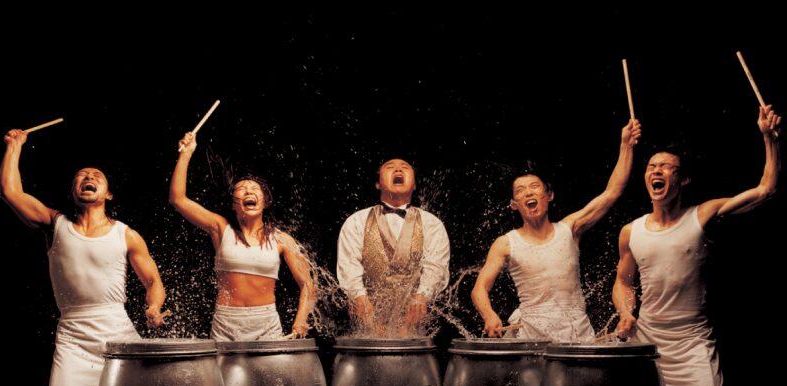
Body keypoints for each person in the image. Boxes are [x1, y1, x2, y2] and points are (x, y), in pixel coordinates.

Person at [612, 105, 781, 386]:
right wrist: (626, 312)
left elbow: (765, 189)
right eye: (651, 166)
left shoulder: (701, 216)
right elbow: (623, 282)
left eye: (665, 167)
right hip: (646, 343)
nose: (656, 171)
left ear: (682, 179)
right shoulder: (631, 232)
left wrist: (768, 138)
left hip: (691, 344)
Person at [0, 128, 167, 386]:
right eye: (81, 175)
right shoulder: (55, 224)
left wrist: (154, 307)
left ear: (108, 194)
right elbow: (10, 191)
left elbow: (153, 282)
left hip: (117, 332)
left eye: (96, 175)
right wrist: (15, 146)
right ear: (74, 191)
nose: (88, 176)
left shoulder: (126, 234)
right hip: (73, 337)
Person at [472, 119, 641, 341]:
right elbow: (479, 289)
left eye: (534, 187)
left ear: (549, 195)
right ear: (514, 204)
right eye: (521, 191)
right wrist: (489, 315)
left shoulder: (570, 229)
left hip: (577, 333)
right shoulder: (505, 243)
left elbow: (612, 192)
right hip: (531, 337)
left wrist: (625, 145)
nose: (528, 193)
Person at [170, 131, 314, 340]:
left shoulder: (282, 239)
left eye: (254, 189)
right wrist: (186, 154)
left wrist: (300, 320)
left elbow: (308, 284)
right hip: (226, 324)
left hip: (267, 326)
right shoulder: (220, 228)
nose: (248, 191)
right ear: (233, 205)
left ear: (265, 201)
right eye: (242, 189)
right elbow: (178, 199)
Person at [337, 158, 450, 336]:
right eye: (390, 167)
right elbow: (349, 270)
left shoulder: (432, 224)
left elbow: (435, 269)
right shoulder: (356, 221)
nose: (398, 170)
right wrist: (367, 314)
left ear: (414, 185)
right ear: (377, 183)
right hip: (367, 325)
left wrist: (419, 303)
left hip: (415, 328)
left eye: (405, 167)